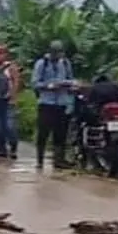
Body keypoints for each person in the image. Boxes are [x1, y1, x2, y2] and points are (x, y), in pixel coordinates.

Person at [31, 40, 75, 169]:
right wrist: (49, 85)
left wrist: (68, 84)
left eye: (60, 53)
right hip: (46, 102)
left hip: (62, 102)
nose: (58, 56)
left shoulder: (66, 63)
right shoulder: (42, 64)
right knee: (43, 133)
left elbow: (71, 78)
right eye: (55, 53)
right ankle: (40, 160)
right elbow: (35, 83)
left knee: (61, 133)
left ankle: (59, 160)